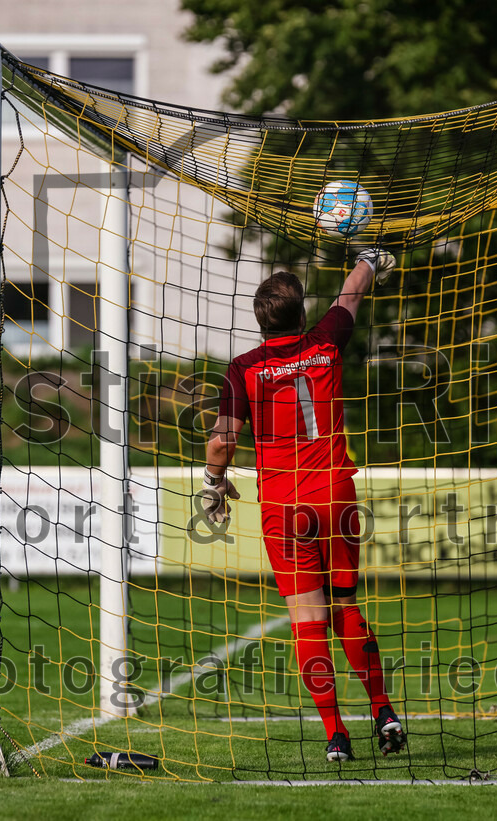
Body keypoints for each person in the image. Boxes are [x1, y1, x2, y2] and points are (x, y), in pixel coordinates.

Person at [198, 248, 406, 763]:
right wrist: (370, 259)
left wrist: (213, 484)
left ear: (259, 319)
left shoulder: (244, 368)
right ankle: (384, 710)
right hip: (336, 495)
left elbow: (222, 442)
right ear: (302, 312)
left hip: (285, 508)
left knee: (308, 621)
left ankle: (336, 736)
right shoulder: (325, 342)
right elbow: (351, 294)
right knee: (345, 607)